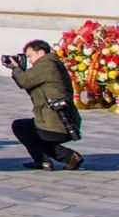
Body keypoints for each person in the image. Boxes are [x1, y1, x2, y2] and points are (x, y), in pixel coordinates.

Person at [7, 40, 84, 171]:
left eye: (30, 56)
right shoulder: (51, 64)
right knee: (30, 130)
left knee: (22, 128)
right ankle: (63, 158)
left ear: (41, 52)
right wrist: (20, 69)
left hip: (56, 123)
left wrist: (16, 68)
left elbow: (24, 81)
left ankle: (62, 157)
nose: (29, 60)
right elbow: (29, 85)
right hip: (61, 120)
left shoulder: (46, 65)